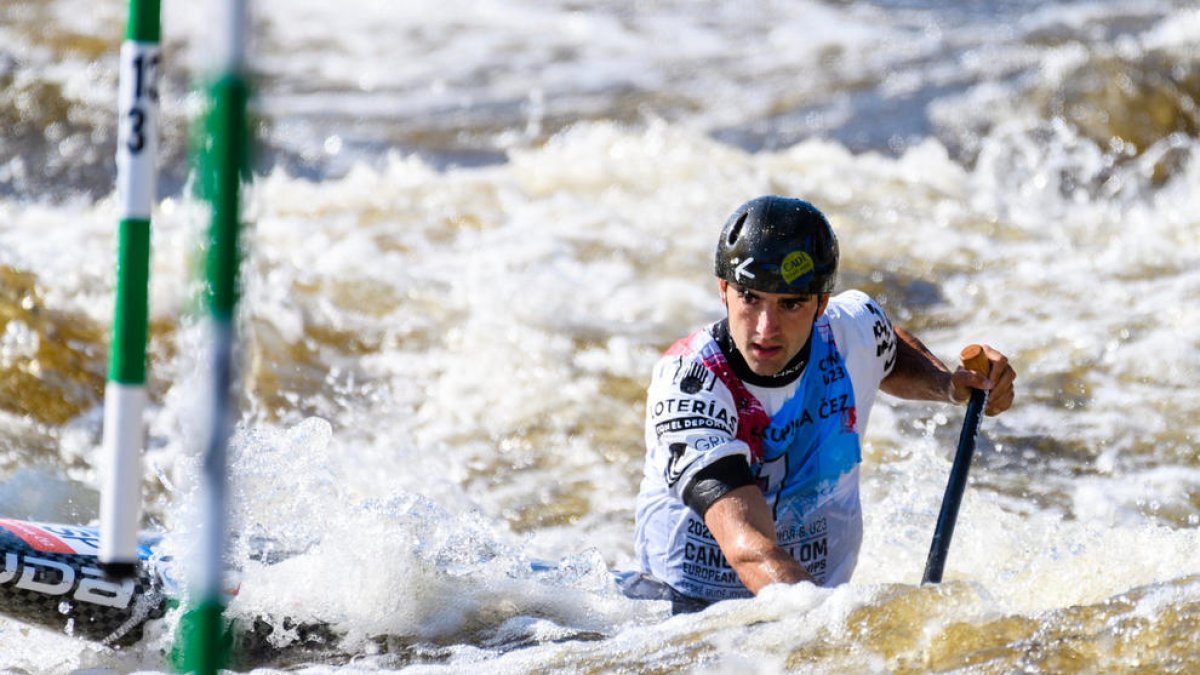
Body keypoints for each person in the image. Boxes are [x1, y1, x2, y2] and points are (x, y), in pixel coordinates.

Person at [628, 195, 1016, 613]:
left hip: (816, 608)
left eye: (790, 304)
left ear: (821, 305)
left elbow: (884, 342)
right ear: (723, 290)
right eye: (750, 297)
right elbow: (748, 547)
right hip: (691, 620)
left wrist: (949, 386)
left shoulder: (852, 330)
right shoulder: (689, 384)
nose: (766, 328)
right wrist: (839, 636)